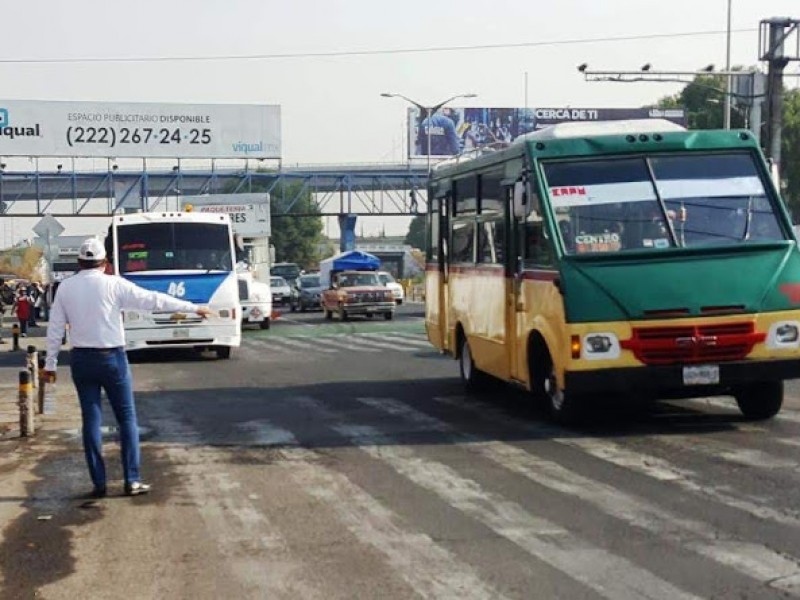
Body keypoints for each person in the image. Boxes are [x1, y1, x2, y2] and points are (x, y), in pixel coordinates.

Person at [44, 238, 214, 499]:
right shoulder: (114, 284)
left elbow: (55, 329)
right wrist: (193, 308)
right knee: (126, 419)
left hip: (82, 360)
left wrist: (50, 364)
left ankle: (99, 483)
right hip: (112, 358)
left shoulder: (65, 288)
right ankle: (131, 480)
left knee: (91, 419)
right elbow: (153, 300)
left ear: (79, 262)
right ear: (105, 263)